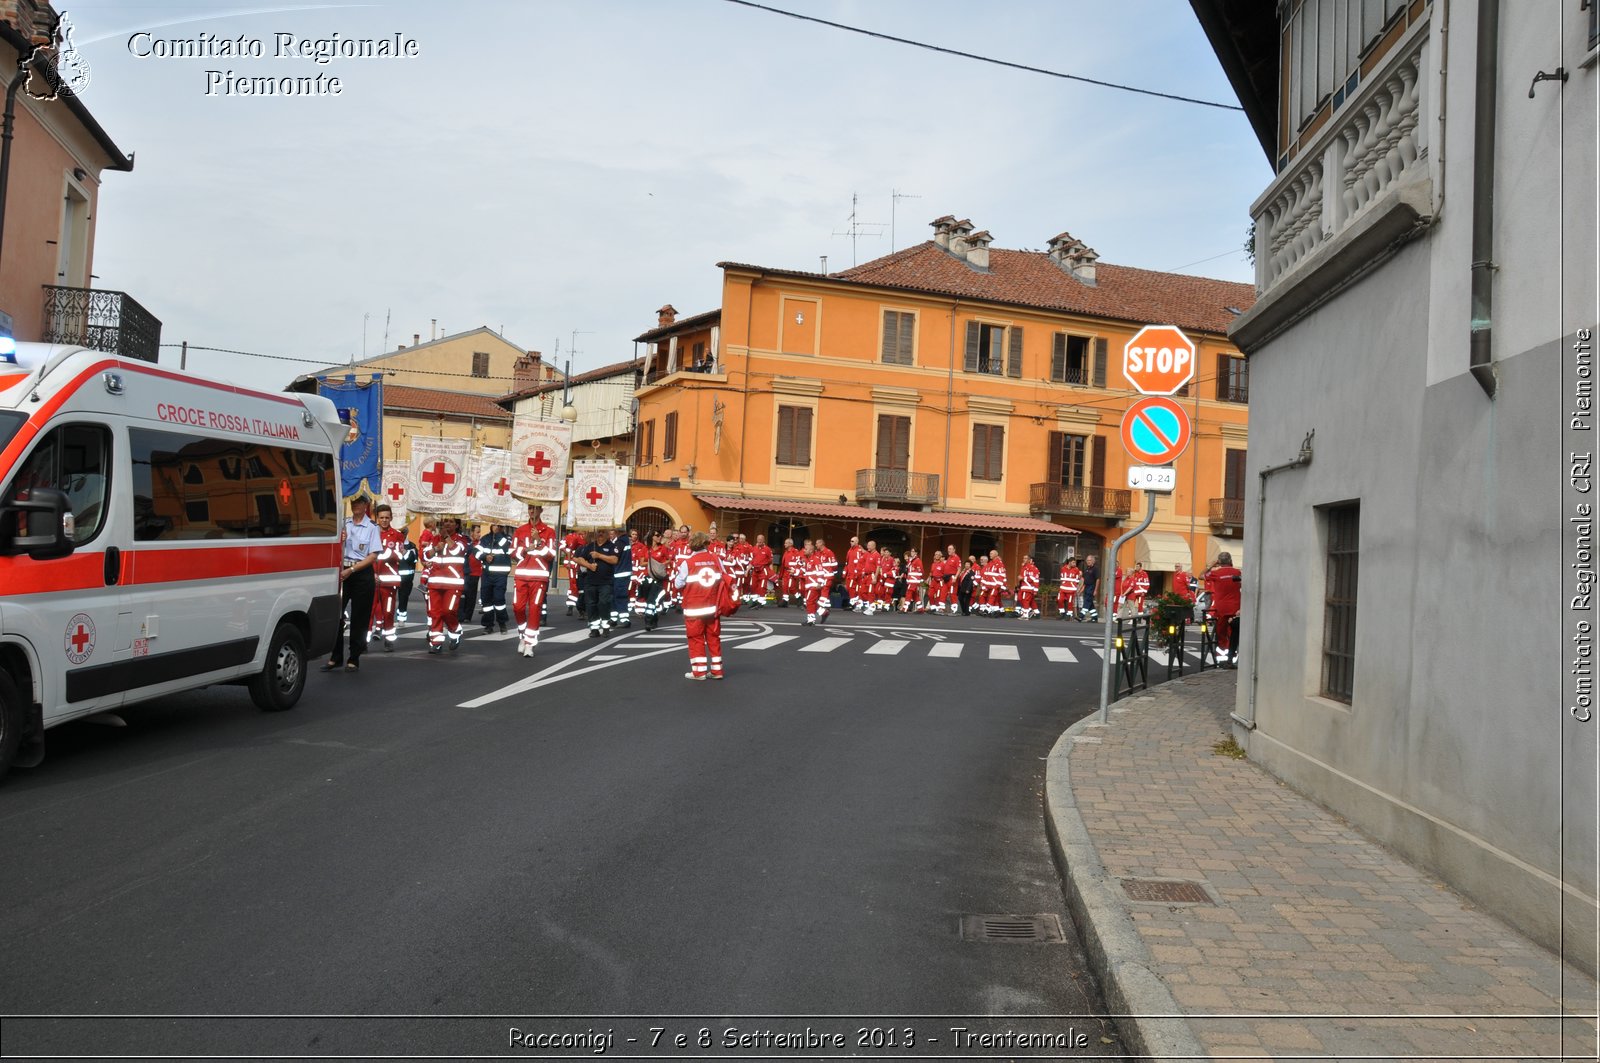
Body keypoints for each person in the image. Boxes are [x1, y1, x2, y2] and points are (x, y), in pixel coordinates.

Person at [326, 494, 380, 672]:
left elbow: (373, 555)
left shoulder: (372, 527)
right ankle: (336, 656)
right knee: (336, 614)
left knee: (359, 616)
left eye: (359, 502)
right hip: (343, 571)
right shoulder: (344, 524)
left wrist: (352, 570)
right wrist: (339, 540)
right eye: (353, 502)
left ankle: (354, 657)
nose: (355, 505)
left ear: (366, 505)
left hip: (361, 573)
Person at [673, 530, 728, 679]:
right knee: (713, 638)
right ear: (706, 544)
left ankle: (699, 672)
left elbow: (678, 584)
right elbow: (725, 578)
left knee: (696, 638)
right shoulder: (716, 559)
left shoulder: (688, 563)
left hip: (694, 608)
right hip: (713, 607)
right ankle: (717, 671)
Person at [510, 505, 556, 657]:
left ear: (541, 511)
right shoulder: (520, 530)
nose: (532, 511)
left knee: (535, 609)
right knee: (518, 608)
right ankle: (523, 635)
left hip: (539, 577)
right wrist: (524, 550)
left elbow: (551, 556)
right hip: (521, 575)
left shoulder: (549, 532)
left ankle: (529, 643)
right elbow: (512, 553)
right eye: (530, 508)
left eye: (535, 508)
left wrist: (539, 541)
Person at [423, 515, 470, 654]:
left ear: (456, 525)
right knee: (435, 613)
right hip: (435, 582)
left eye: (451, 522)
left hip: (453, 583)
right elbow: (425, 556)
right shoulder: (435, 538)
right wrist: (435, 549)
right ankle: (436, 642)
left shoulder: (462, 539)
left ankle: (455, 631)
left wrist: (447, 538)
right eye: (445, 522)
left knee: (448, 611)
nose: (447, 524)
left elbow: (457, 551)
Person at [370, 503, 405, 651]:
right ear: (377, 518)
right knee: (368, 612)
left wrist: (389, 553)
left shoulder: (397, 535)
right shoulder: (370, 533)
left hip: (389, 581)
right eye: (381, 517)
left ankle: (389, 640)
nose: (384, 520)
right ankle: (362, 643)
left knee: (388, 611)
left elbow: (401, 555)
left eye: (387, 517)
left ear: (391, 518)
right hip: (371, 580)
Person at [1205, 552, 1243, 667]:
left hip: (1221, 607)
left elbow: (1202, 575)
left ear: (1219, 562)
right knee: (1235, 633)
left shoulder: (1216, 573)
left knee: (1221, 633)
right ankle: (1232, 657)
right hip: (1235, 607)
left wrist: (1211, 565)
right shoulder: (1237, 572)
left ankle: (1222, 659)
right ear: (1231, 560)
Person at [476, 523, 513, 634]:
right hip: (487, 574)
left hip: (500, 575)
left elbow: (508, 549)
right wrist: (484, 556)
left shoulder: (507, 539)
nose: (496, 527)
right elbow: (476, 552)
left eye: (499, 525)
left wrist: (498, 535)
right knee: (486, 601)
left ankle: (502, 623)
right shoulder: (485, 539)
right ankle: (488, 625)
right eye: (494, 525)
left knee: (499, 600)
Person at [606, 525, 633, 629]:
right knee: (613, 596)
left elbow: (614, 558)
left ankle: (624, 619)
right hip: (620, 573)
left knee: (620, 597)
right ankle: (613, 618)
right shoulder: (624, 541)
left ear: (617, 531)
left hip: (620, 573)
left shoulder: (620, 542)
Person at [395, 532, 419, 625]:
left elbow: (414, 559)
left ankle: (401, 617)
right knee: (389, 599)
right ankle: (385, 619)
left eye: (403, 533)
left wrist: (405, 552)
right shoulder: (391, 543)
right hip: (392, 576)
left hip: (406, 578)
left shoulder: (411, 546)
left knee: (403, 598)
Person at [561, 528, 586, 615]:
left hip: (578, 563)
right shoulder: (572, 537)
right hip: (573, 564)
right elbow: (566, 548)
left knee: (577, 584)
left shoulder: (583, 536)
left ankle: (577, 605)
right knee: (574, 584)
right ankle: (571, 605)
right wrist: (570, 557)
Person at [747, 533, 772, 607]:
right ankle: (755, 601)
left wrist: (771, 572)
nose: (760, 540)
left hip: (763, 570)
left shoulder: (767, 549)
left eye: (761, 539)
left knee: (762, 586)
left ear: (764, 540)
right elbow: (752, 561)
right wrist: (747, 570)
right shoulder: (754, 548)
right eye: (758, 539)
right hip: (755, 570)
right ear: (757, 540)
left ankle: (761, 602)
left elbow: (770, 561)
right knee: (753, 586)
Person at [779, 537, 802, 606]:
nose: (784, 544)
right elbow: (783, 564)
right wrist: (781, 574)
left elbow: (799, 562)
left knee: (791, 587)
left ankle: (799, 598)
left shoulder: (796, 552)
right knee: (784, 586)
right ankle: (785, 601)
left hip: (792, 572)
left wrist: (795, 570)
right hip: (785, 572)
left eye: (786, 543)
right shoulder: (786, 552)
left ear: (790, 544)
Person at [1017, 554, 1041, 619]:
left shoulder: (1032, 568)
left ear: (1029, 560)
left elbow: (1034, 579)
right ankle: (1036, 612)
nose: (1023, 560)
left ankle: (1025, 615)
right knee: (1024, 599)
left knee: (1025, 600)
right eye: (1023, 558)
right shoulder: (1024, 567)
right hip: (1023, 587)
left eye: (1025, 558)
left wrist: (1022, 578)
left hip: (1028, 587)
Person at [1080, 555, 1101, 621]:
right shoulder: (1086, 569)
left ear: (1093, 561)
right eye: (1087, 560)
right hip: (1086, 587)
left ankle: (1081, 616)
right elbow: (1084, 580)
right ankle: (1095, 617)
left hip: (1092, 587)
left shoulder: (1095, 569)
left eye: (1090, 560)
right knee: (1090, 603)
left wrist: (1095, 590)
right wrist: (1081, 589)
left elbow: (1098, 579)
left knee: (1087, 601)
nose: (1088, 562)